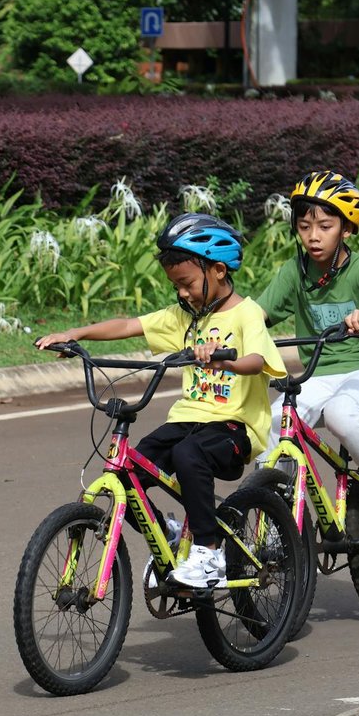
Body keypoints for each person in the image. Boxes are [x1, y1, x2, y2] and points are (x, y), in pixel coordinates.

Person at [36, 213, 286, 587]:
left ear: (218, 270)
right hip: (187, 420)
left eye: (186, 283)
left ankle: (209, 550)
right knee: (126, 472)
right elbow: (127, 325)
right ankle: (168, 531)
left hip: (235, 427)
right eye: (176, 286)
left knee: (189, 455)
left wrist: (223, 357)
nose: (182, 293)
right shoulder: (183, 318)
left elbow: (258, 361)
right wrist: (75, 334)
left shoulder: (246, 314)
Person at [255, 171, 359, 542]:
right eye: (304, 227)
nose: (313, 236)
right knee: (272, 421)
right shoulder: (294, 272)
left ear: (346, 229)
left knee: (341, 415)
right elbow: (256, 315)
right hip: (320, 374)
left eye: (325, 226)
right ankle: (274, 517)